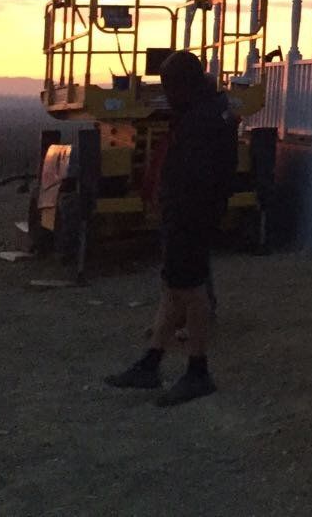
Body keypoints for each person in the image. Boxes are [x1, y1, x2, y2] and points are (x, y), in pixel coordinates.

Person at [105, 51, 236, 406]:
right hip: (191, 214)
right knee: (173, 287)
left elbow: (196, 178)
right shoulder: (212, 110)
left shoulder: (201, 121)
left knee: (190, 292)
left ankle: (198, 370)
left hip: (190, 216)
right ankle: (151, 363)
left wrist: (177, 212)